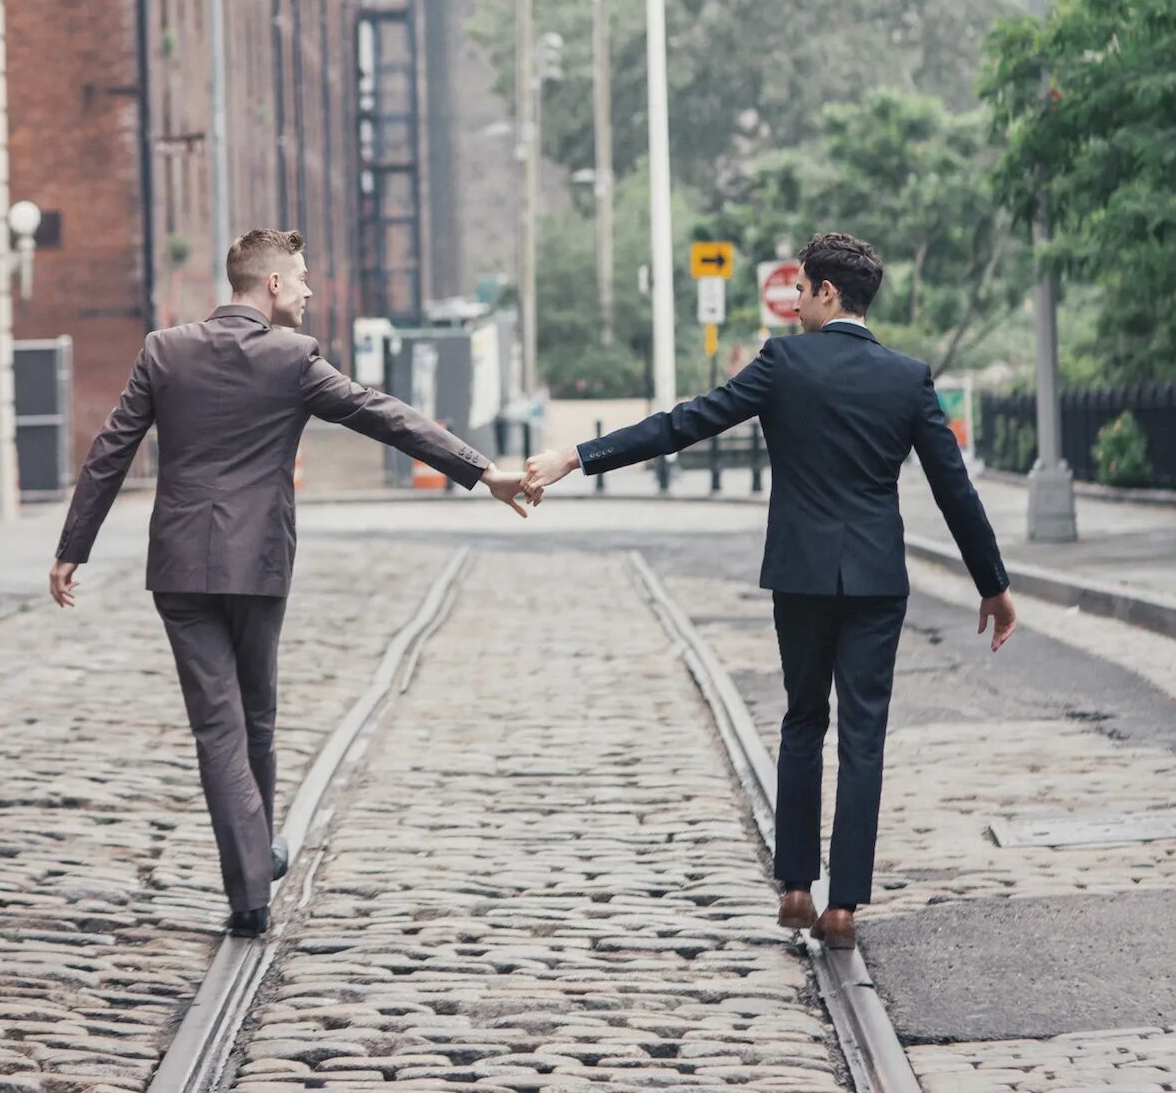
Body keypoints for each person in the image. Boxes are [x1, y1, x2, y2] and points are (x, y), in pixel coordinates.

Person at [524, 230, 1015, 951]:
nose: (791, 302)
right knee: (863, 735)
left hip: (802, 574)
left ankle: (794, 887)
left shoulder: (784, 364)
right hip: (877, 580)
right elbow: (954, 490)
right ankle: (844, 904)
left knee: (801, 721)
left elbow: (683, 424)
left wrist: (578, 456)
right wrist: (993, 584)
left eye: (801, 289)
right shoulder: (908, 378)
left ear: (826, 292)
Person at [49, 227, 532, 935]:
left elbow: (110, 451)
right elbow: (382, 415)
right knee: (256, 719)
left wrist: (73, 547)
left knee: (220, 726)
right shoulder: (291, 360)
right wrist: (483, 470)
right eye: (301, 277)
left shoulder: (164, 350)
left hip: (181, 566)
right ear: (270, 284)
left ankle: (251, 866)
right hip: (258, 564)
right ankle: (252, 874)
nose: (308, 290)